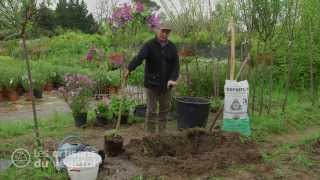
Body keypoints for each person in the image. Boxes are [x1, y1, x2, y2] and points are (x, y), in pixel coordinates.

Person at [124, 23, 179, 133]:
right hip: (151, 84)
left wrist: (173, 78)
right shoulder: (149, 45)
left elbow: (176, 65)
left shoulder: (172, 47)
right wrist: (129, 68)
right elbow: (139, 58)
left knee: (164, 112)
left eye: (167, 32)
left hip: (167, 86)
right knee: (152, 112)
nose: (164, 34)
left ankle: (161, 136)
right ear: (157, 30)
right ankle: (150, 137)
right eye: (162, 31)